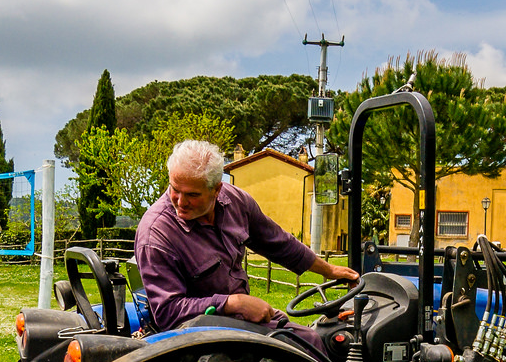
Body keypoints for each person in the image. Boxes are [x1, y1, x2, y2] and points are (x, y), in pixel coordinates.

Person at [134, 138, 358, 334]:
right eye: (174, 189)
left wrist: (329, 270)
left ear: (216, 189)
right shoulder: (156, 235)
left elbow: (279, 243)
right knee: (310, 343)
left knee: (303, 332)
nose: (180, 202)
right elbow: (167, 313)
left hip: (236, 319)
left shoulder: (235, 201)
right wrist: (233, 303)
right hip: (200, 333)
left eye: (192, 194)